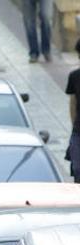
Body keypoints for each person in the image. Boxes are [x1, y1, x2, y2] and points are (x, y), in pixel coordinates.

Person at [65, 39, 80, 182]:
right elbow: (73, 102)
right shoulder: (75, 76)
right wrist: (73, 125)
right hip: (78, 130)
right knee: (77, 169)